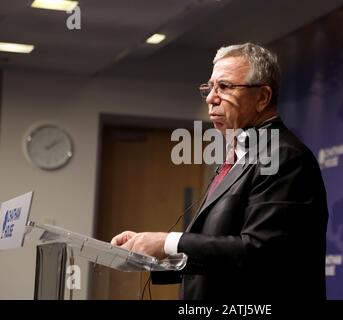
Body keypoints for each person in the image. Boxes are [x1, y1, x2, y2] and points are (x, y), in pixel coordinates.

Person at [111, 43, 329, 300]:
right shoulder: (239, 155)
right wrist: (152, 252)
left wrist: (168, 242)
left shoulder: (284, 157)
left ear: (262, 97)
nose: (211, 98)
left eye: (224, 87)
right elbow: (218, 252)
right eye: (210, 87)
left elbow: (261, 252)